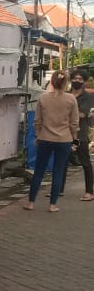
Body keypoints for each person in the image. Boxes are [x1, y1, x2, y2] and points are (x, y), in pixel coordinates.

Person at [24, 69, 79, 212]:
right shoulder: (71, 99)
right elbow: (74, 123)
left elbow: (37, 121)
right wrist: (75, 141)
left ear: (52, 82)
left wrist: (37, 136)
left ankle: (30, 203)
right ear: (66, 83)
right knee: (58, 171)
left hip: (45, 138)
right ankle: (52, 204)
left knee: (39, 171)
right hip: (64, 139)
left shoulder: (43, 98)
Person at [61, 68, 94, 201]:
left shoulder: (88, 97)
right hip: (63, 133)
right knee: (62, 162)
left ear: (84, 81)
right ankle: (58, 189)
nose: (77, 81)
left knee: (85, 162)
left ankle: (89, 192)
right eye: (75, 78)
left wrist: (64, 115)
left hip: (80, 134)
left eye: (80, 79)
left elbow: (82, 114)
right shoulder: (65, 94)